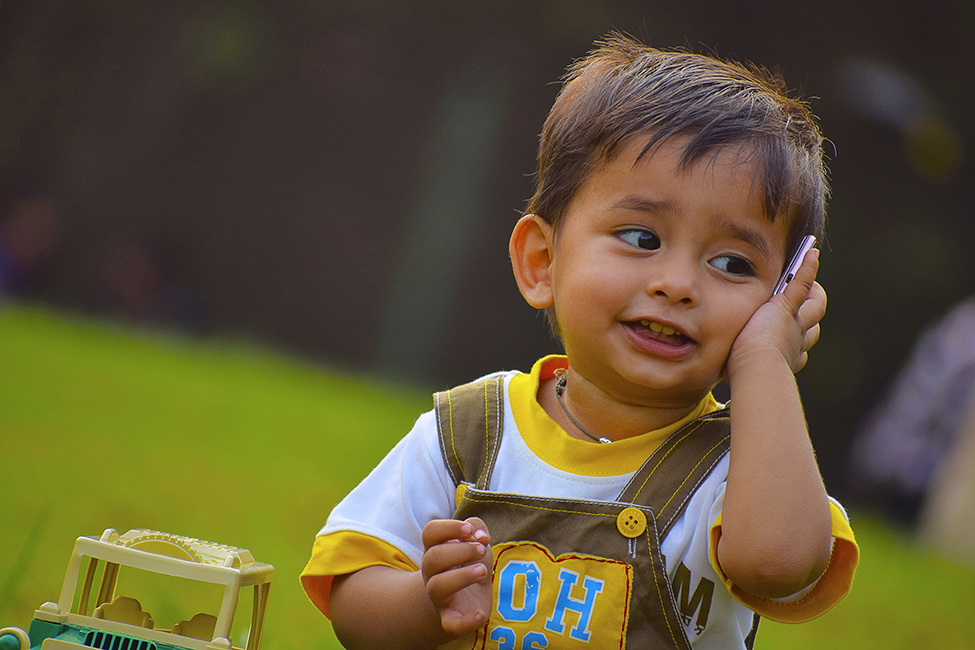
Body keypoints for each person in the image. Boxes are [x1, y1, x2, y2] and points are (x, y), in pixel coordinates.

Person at [301, 33, 858, 649]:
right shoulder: (469, 434)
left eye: (732, 264)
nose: (677, 285)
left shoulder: (744, 467)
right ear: (543, 261)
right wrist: (425, 600)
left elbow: (778, 566)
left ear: (785, 296)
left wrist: (762, 362)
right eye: (642, 238)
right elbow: (352, 597)